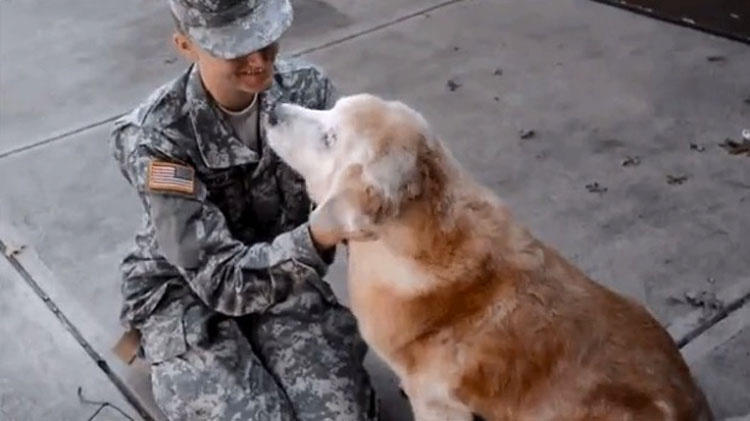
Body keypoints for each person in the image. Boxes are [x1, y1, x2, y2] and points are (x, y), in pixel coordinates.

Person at [109, 0, 378, 419]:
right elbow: (217, 280)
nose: (258, 58)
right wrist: (319, 234)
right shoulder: (156, 137)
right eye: (235, 46)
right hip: (186, 293)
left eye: (263, 36)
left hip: (285, 280)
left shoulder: (307, 93)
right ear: (185, 45)